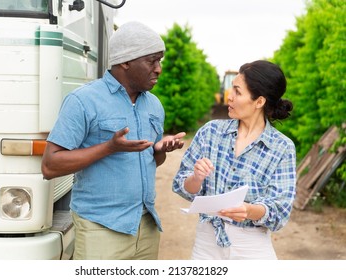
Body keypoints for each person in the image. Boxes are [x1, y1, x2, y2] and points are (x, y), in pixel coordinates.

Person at [41, 21, 186, 260]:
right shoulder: (83, 101)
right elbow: (50, 166)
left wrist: (160, 150)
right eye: (152, 61)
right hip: (101, 228)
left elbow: (150, 162)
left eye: (160, 61)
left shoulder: (153, 105)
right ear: (126, 61)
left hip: (145, 227)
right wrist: (109, 147)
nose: (159, 69)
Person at [172, 60, 296, 260]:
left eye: (238, 92)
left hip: (252, 248)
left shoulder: (282, 147)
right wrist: (196, 178)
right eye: (232, 89)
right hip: (207, 244)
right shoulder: (210, 132)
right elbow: (181, 184)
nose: (230, 96)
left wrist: (249, 210)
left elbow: (280, 210)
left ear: (259, 102)